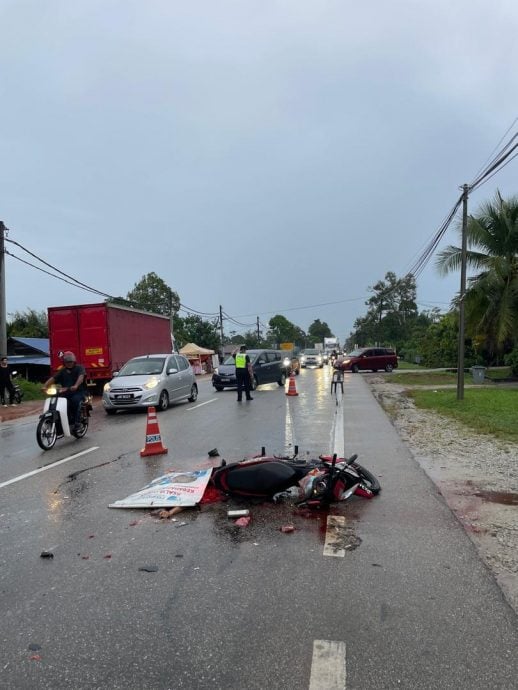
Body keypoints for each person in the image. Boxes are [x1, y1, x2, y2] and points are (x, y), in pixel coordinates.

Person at [42, 351, 87, 431]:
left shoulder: (79, 368)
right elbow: (53, 378)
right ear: (64, 362)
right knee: (55, 400)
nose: (69, 363)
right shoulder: (62, 371)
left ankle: (77, 423)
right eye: (67, 362)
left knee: (75, 401)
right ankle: (57, 420)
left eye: (70, 361)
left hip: (78, 392)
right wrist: (45, 386)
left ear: (74, 361)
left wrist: (76, 385)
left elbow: (81, 377)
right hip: (66, 392)